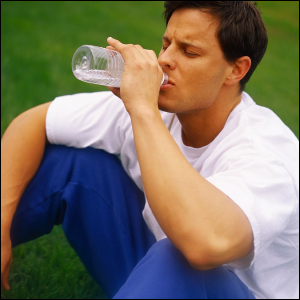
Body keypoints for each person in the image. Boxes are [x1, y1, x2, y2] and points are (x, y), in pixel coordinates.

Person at [1, 1, 299, 299]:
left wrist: (142, 110)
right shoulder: (158, 103)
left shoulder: (267, 153)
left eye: (189, 51)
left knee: (177, 255)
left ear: (236, 69)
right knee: (73, 164)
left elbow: (205, 244)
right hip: (153, 270)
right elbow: (35, 122)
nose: (165, 60)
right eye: (166, 44)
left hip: (222, 289)